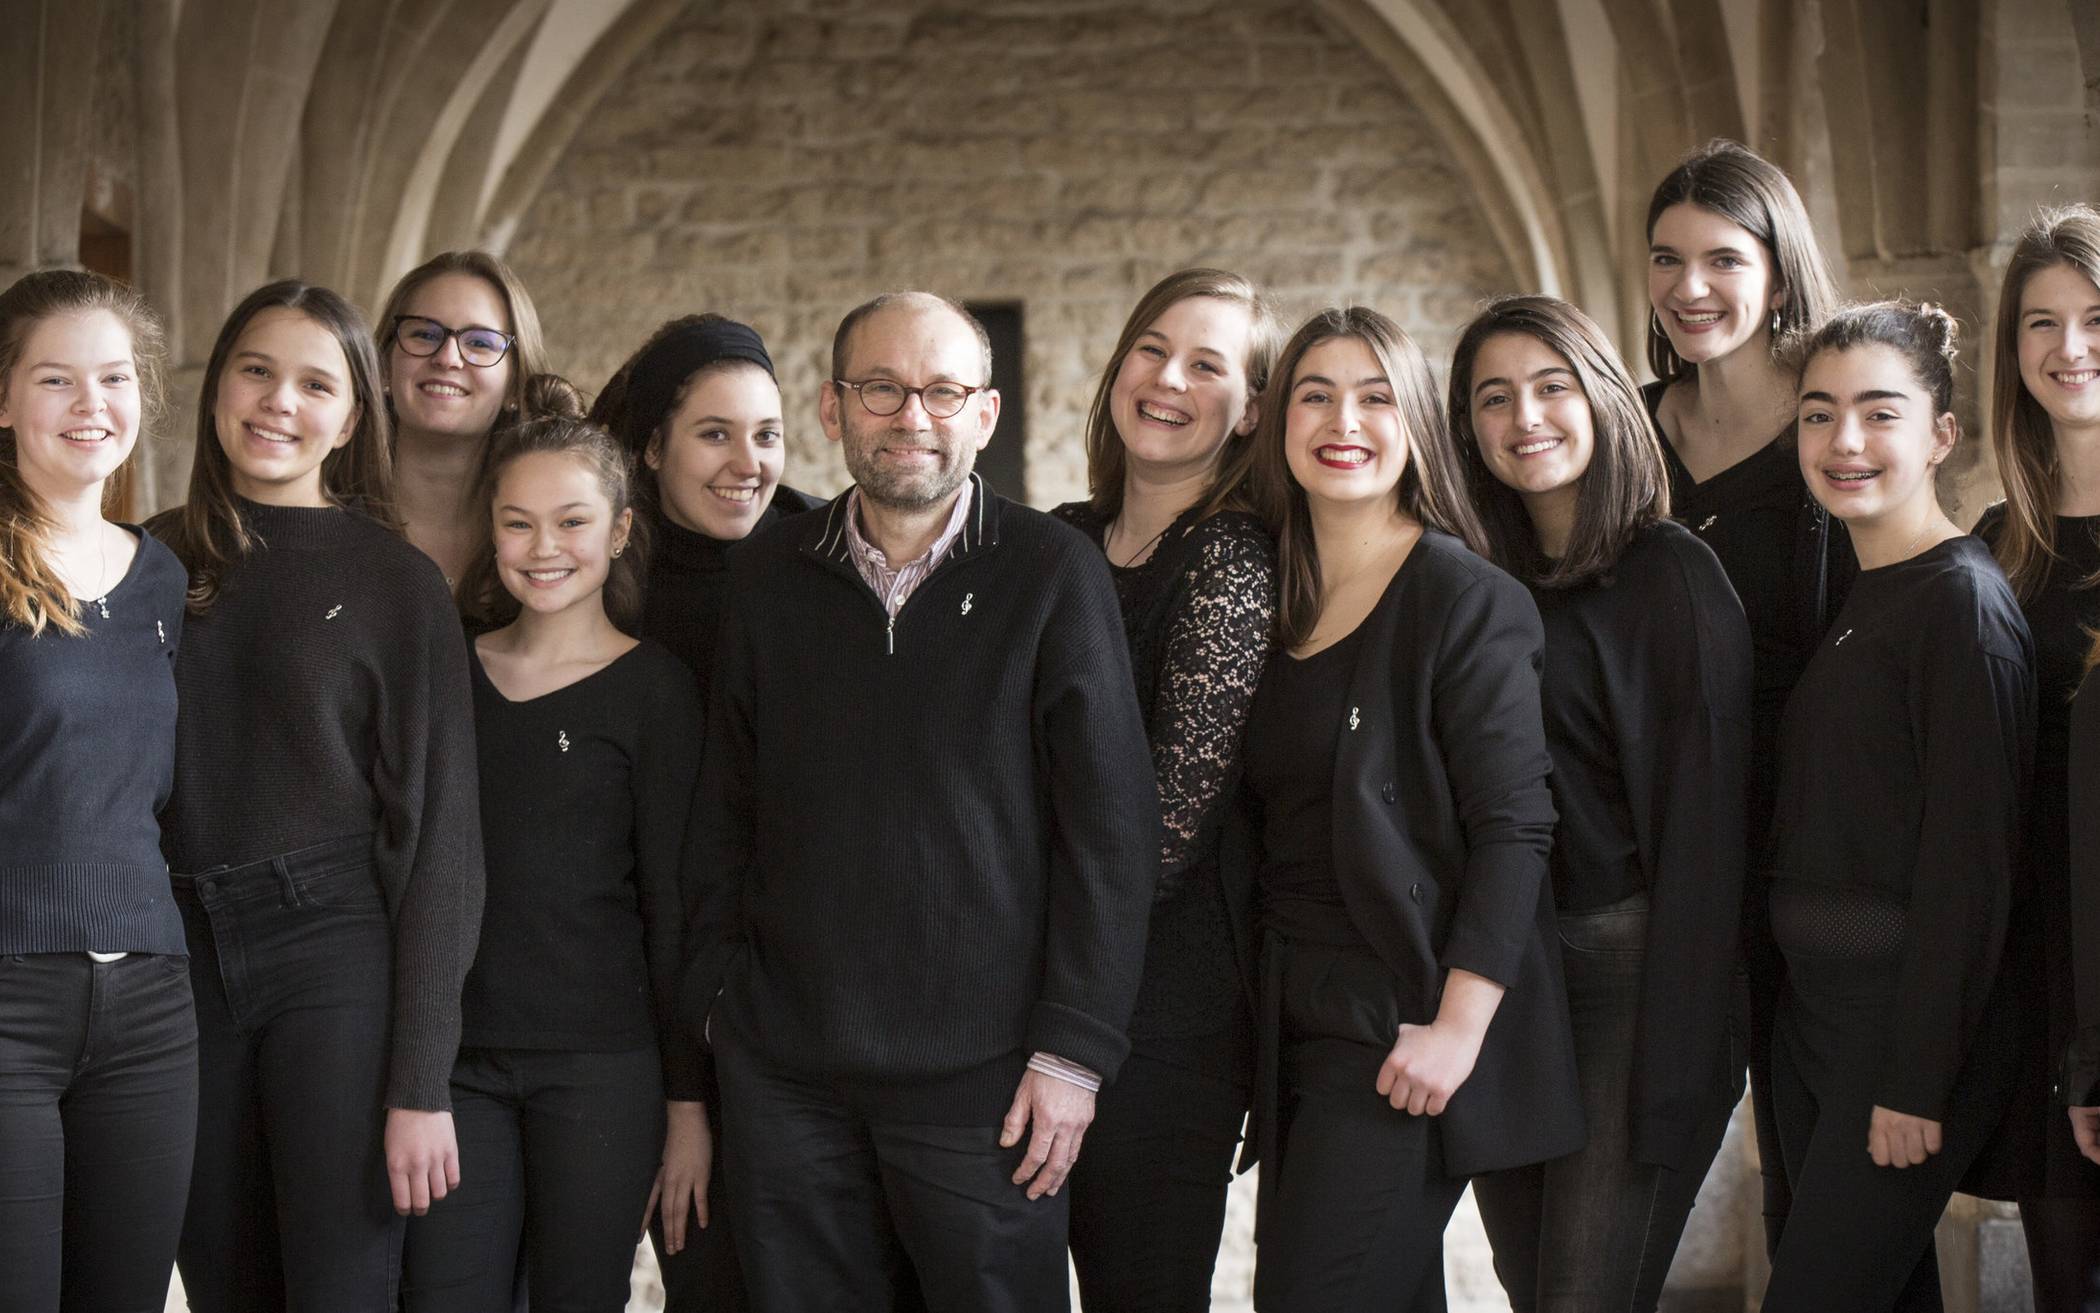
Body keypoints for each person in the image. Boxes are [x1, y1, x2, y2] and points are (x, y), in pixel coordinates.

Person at [677, 290, 1157, 1312]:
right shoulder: (765, 577)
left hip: (984, 1079)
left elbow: (1110, 832)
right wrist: (721, 1011)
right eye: (883, 388)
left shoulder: (1050, 572)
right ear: (833, 408)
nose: (912, 416)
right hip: (789, 1074)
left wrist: (1074, 1051)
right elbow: (724, 814)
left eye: (942, 390)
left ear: (984, 414)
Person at [148, 280, 485, 1311]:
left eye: (314, 382)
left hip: (332, 955)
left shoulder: (395, 582)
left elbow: (441, 843)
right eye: (257, 369)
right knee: (222, 1284)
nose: (278, 401)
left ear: (351, 417)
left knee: (340, 1285)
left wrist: (421, 1080)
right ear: (217, 388)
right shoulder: (149, 561)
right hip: (182, 956)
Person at [1236, 306, 1582, 1312]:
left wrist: (1459, 1029)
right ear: (1278, 421)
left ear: (1415, 423)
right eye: (1316, 394)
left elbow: (1517, 825)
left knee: (1315, 1295)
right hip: (1288, 1008)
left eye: (1375, 396)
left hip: (1400, 1016)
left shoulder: (1464, 598)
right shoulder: (1268, 591)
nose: (1344, 419)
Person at [1451, 295, 1751, 1311]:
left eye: (1551, 385)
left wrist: (1687, 1056)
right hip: (1503, 975)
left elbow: (1710, 833)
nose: (1523, 415)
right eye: (1494, 397)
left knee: (1587, 1293)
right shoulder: (1470, 581)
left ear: (1604, 397)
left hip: (1629, 973)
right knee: (1531, 1286)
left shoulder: (1675, 572)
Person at [1760, 302, 2034, 1311]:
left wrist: (1916, 1079)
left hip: (1899, 1035)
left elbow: (1972, 870)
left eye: (1879, 413)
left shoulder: (1962, 607)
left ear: (1941, 435)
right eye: (1819, 414)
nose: (1845, 442)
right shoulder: (1861, 584)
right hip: (1814, 1023)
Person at [402, 403, 706, 1311]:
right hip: (457, 1066)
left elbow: (674, 910)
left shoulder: (656, 689)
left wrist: (687, 1107)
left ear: (618, 531)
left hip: (603, 1069)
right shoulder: (448, 672)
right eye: (518, 521)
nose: (544, 546)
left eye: (572, 521)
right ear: (489, 528)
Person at [1051, 268, 1280, 1311]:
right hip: (1030, 992)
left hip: (1165, 1017)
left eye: (1208, 363)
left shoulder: (1230, 560)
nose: (1168, 377)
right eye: (1152, 346)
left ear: (1252, 409)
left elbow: (1162, 834)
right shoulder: (1055, 541)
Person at [1640, 138, 1849, 1253]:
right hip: (1665, 849)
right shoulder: (1626, 428)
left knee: (1818, 1186)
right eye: (1666, 259)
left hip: (1811, 851)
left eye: (1722, 257)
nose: (1689, 288)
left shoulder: (1833, 428)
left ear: (1778, 267)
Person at [0, 269, 195, 1313]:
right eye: (56, 379)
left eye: (113, 377)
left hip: (152, 1001)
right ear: (4, 397)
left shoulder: (162, 576)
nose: (91, 405)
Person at [1972, 203, 2100, 1311]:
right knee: (2064, 1278)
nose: (2070, 349)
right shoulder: (1990, 550)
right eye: (2041, 323)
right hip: (2040, 951)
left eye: (2096, 318)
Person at [591, 313, 822, 691]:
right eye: (715, 434)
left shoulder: (830, 554)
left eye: (766, 435)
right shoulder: (603, 581)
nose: (749, 466)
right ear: (654, 447)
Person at [378, 250, 552, 586]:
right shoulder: (323, 517)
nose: (448, 358)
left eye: (480, 343)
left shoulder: (547, 539)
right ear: (385, 366)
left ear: (515, 387)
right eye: (425, 334)